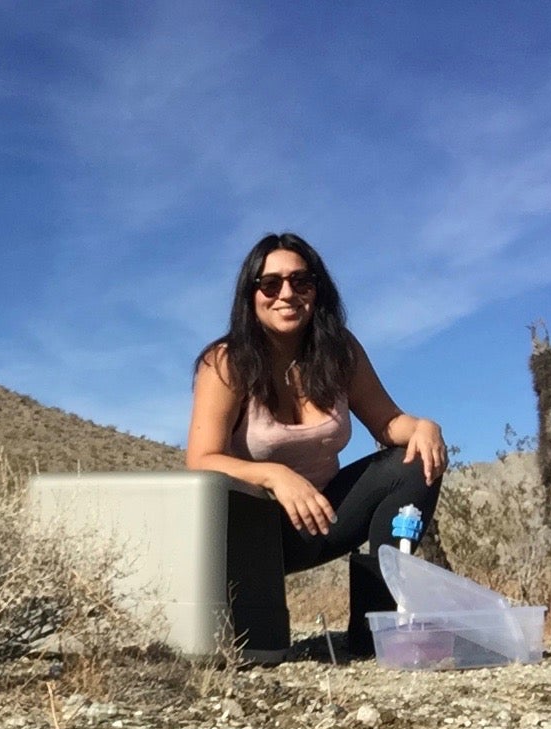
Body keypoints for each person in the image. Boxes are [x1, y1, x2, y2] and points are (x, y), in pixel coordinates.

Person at [185, 232, 448, 652]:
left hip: (323, 515)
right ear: (250, 295)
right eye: (270, 284)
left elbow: (388, 423)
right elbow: (200, 460)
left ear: (317, 290)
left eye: (301, 281)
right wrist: (274, 475)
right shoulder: (225, 361)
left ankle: (374, 628)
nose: (286, 293)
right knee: (259, 644)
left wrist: (422, 427)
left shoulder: (339, 350)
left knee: (414, 461)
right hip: (253, 534)